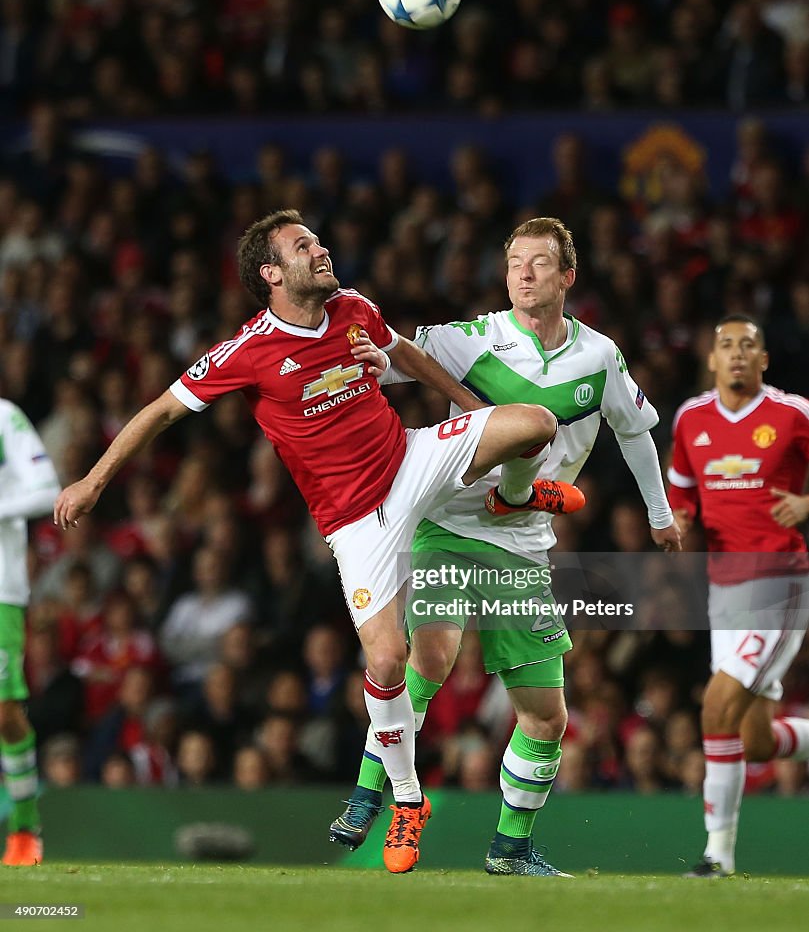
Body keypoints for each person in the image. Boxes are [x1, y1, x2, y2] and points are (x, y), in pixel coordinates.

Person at [54, 208, 582, 874]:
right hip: (355, 521)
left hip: (410, 459)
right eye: (304, 246)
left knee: (531, 423)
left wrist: (469, 408)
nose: (321, 248)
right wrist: (94, 481)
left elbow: (406, 353)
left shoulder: (354, 308)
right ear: (272, 274)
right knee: (388, 662)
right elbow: (161, 410)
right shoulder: (246, 353)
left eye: (317, 239)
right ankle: (407, 801)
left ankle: (515, 494)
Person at [330, 216, 680, 876]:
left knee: (546, 719)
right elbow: (396, 355)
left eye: (538, 263)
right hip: (448, 527)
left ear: (566, 277)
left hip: (521, 548)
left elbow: (634, 433)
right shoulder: (472, 340)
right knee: (428, 657)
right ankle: (367, 796)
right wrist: (372, 363)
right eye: (514, 261)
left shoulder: (598, 357)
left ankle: (509, 849)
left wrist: (659, 516)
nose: (522, 272)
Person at [668, 314, 809, 877]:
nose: (737, 354)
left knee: (715, 705)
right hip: (722, 591)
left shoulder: (793, 414)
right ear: (711, 359)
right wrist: (676, 522)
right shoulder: (690, 419)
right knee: (753, 739)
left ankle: (717, 856)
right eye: (725, 345)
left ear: (764, 359)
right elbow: (680, 495)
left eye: (748, 346)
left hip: (781, 584)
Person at [0, 398, 61, 866]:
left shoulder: (5, 417)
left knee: (4, 713)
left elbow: (47, 490)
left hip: (1, 587)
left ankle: (24, 830)